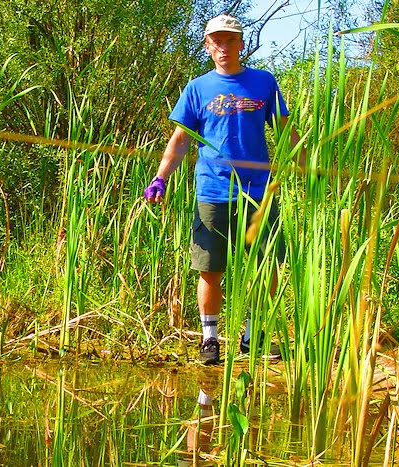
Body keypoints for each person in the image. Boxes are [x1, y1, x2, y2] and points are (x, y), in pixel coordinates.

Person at [144, 14, 305, 365]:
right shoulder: (197, 88)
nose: (223, 46)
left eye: (230, 40)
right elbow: (181, 139)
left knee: (266, 268)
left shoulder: (263, 83)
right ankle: (210, 339)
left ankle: (253, 337)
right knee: (210, 270)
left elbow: (285, 129)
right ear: (207, 46)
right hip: (213, 193)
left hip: (258, 193)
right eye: (216, 40)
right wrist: (161, 177)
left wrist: (308, 165)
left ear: (241, 44)